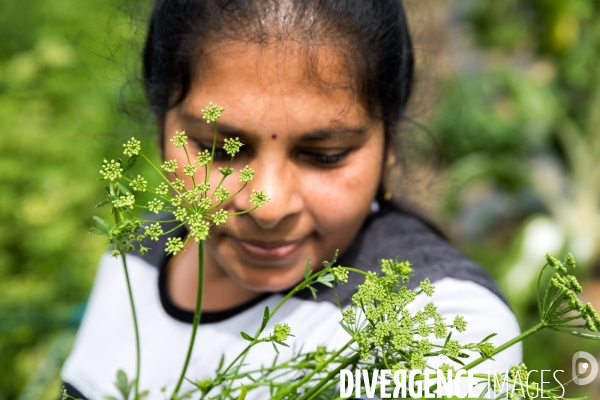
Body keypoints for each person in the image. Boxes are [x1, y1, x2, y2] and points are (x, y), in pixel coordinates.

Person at [60, 0, 521, 398]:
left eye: (325, 156)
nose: (268, 206)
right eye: (220, 150)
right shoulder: (141, 245)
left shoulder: (440, 322)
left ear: (390, 146)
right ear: (161, 127)